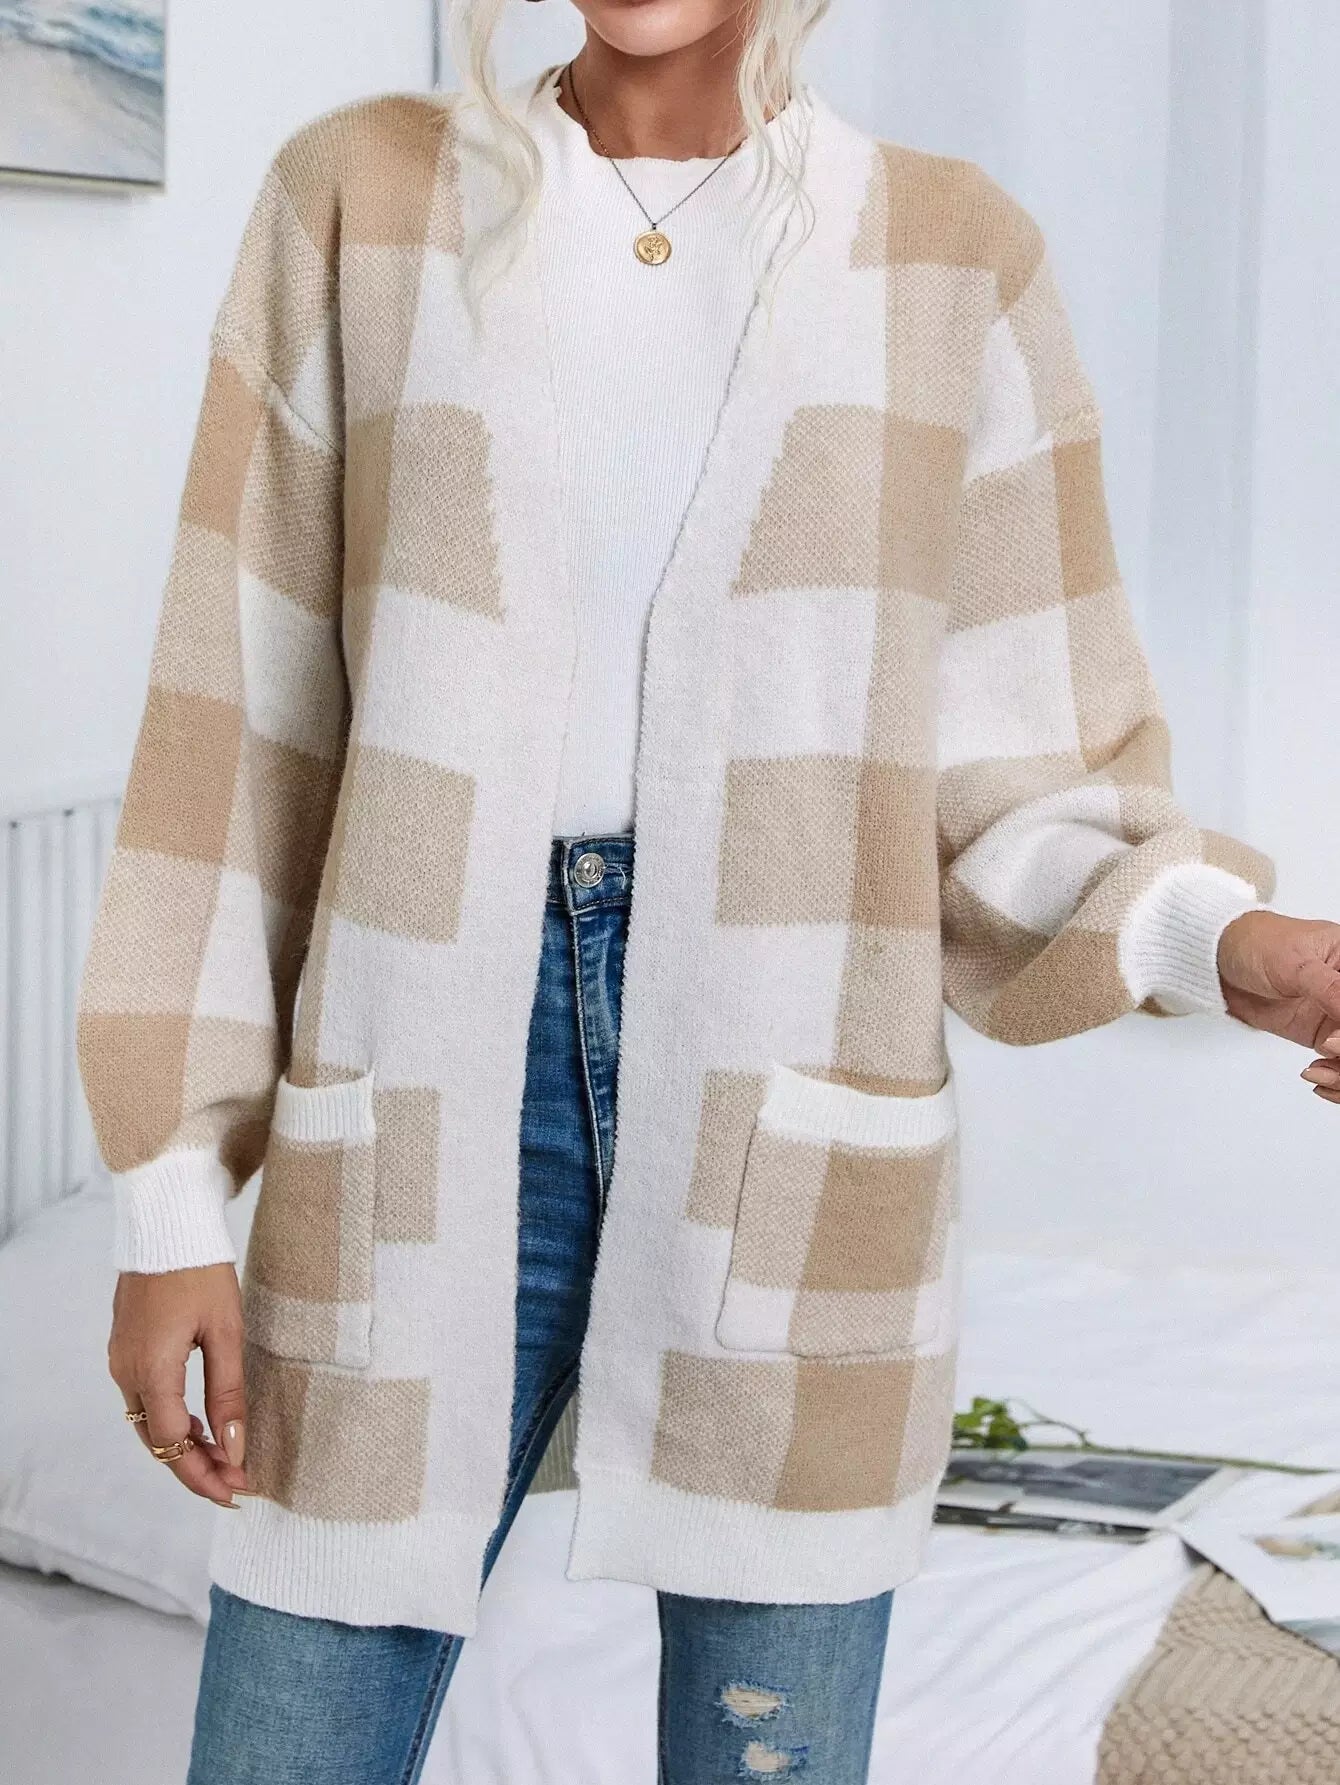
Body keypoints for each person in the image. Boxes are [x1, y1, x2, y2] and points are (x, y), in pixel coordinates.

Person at [75, 2, 1340, 1780]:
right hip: (426, 1070)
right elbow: (240, 722)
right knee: (292, 1734)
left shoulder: (954, 258)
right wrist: (166, 1204)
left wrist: (1232, 943)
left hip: (792, 1082)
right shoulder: (356, 198)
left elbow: (1020, 776)